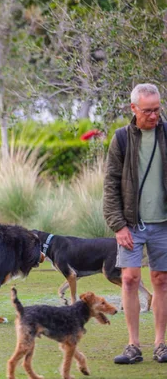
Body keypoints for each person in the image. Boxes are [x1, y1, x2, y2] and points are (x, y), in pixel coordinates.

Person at [103, 83, 167, 364]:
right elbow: (110, 185)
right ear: (133, 109)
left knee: (162, 281)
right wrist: (118, 225)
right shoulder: (121, 139)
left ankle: (161, 344)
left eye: (157, 110)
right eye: (147, 111)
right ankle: (133, 346)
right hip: (131, 224)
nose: (154, 116)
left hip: (163, 223)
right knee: (129, 279)